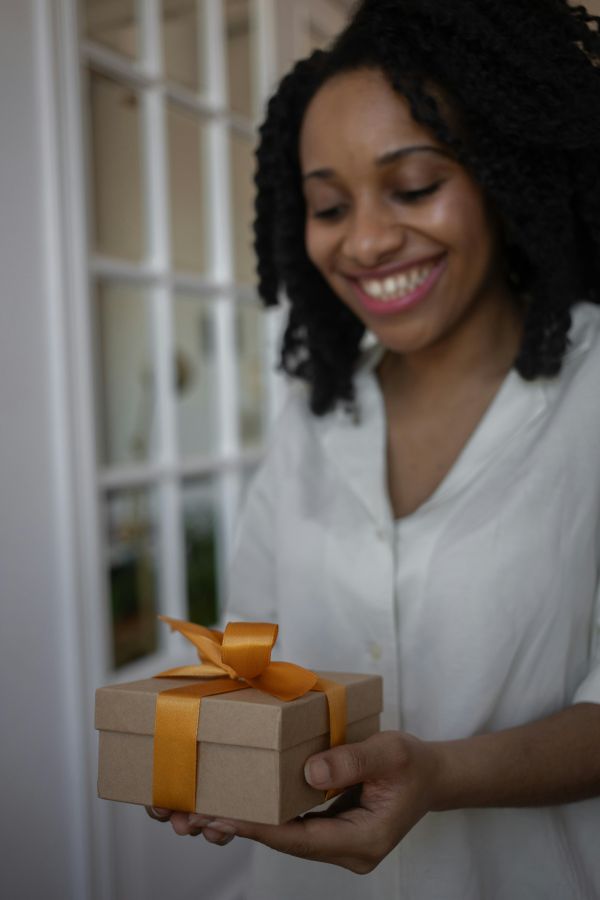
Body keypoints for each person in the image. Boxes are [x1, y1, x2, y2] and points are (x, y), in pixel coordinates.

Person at [148, 0, 600, 896]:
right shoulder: (317, 418)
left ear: (507, 175)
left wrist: (439, 776)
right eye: (327, 204)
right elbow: (250, 655)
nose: (363, 240)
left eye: (414, 184)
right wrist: (204, 752)